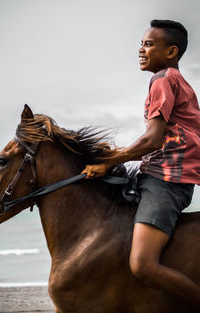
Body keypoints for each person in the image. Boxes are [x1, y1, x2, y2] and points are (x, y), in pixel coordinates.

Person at [81, 19, 200, 308]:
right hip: (158, 175)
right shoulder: (174, 81)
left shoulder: (163, 80)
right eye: (142, 43)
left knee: (142, 265)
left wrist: (108, 162)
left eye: (148, 44)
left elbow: (151, 141)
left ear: (171, 51)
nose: (140, 50)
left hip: (166, 183)